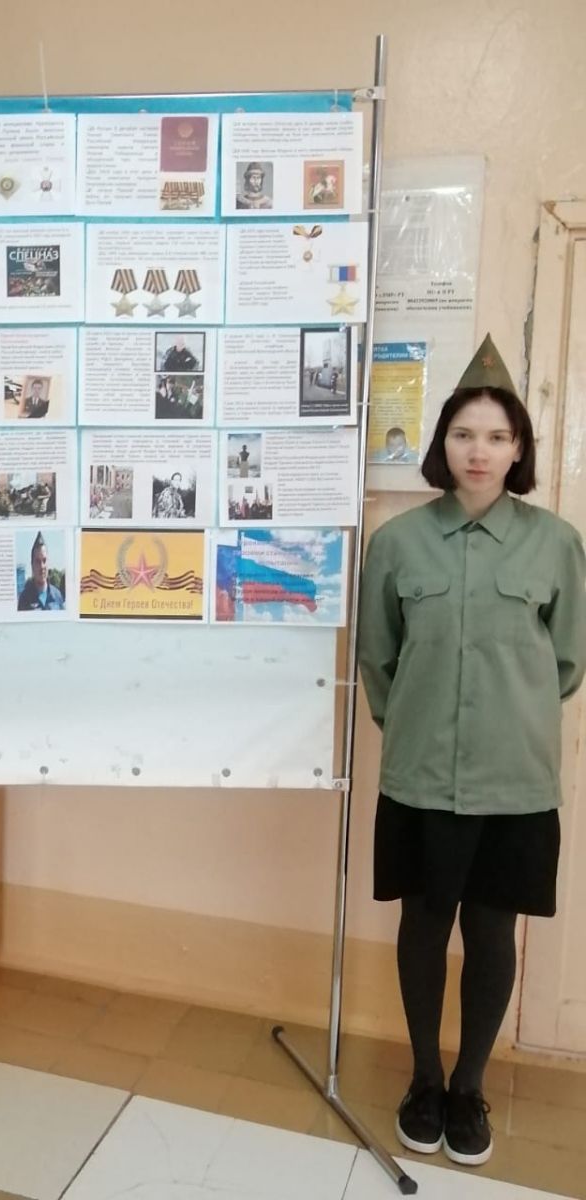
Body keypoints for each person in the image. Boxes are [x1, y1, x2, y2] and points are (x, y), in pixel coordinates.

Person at [358, 334, 586, 1169]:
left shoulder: (555, 543)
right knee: (424, 926)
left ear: (518, 447)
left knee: (493, 935)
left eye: (496, 436)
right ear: (442, 443)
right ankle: (424, 1080)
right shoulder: (398, 543)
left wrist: (507, 716)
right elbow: (378, 658)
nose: (478, 451)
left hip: (514, 781)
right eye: (463, 434)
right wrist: (417, 723)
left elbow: (568, 661)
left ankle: (469, 1087)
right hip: (421, 775)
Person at [17, 532, 65, 611]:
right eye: (37, 561)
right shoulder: (24, 598)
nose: (42, 566)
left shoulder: (57, 595)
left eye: (44, 560)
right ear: (32, 565)